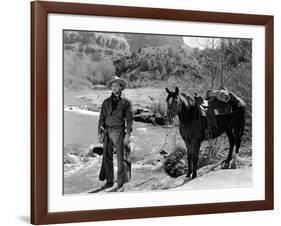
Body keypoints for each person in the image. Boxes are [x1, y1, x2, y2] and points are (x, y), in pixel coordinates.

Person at [97, 76, 133, 190]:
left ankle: (121, 183)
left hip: (119, 131)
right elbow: (101, 118)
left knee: (120, 158)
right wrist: (99, 133)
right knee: (107, 158)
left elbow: (130, 119)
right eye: (112, 86)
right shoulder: (106, 102)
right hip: (107, 131)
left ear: (121, 87)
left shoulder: (126, 102)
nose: (114, 88)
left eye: (116, 86)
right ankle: (109, 182)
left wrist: (128, 134)